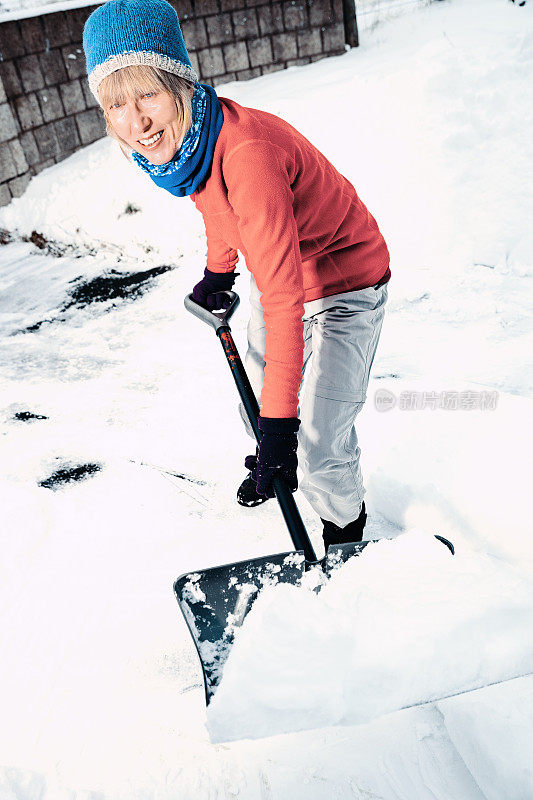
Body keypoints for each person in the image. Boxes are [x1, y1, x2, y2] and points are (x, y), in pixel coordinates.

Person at [83, 0, 390, 552]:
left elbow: (282, 300)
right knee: (261, 407)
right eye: (117, 105)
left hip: (345, 281)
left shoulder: (246, 154)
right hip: (284, 270)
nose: (138, 123)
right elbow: (216, 206)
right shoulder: (190, 145)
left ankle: (347, 539)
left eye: (148, 94)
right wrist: (217, 272)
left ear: (179, 82)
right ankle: (280, 445)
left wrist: (282, 429)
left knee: (316, 441)